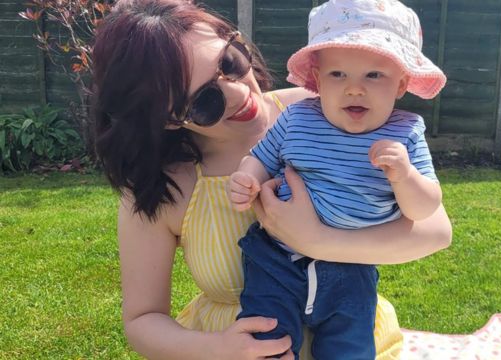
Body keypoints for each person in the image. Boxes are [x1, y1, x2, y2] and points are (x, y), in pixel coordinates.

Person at [91, 0, 452, 358]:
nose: (239, 93)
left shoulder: (320, 110)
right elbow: (142, 320)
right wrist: (217, 347)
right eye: (205, 101)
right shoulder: (163, 187)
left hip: (355, 335)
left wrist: (318, 241)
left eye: (230, 63)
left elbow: (436, 231)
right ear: (168, 118)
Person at [227, 1, 446, 358]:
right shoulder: (297, 119)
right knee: (267, 339)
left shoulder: (405, 134)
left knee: (350, 349)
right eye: (337, 75)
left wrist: (404, 176)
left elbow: (425, 208)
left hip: (351, 266)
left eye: (374, 75)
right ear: (316, 77)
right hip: (276, 258)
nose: (354, 89)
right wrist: (246, 179)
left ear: (402, 83)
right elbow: (259, 159)